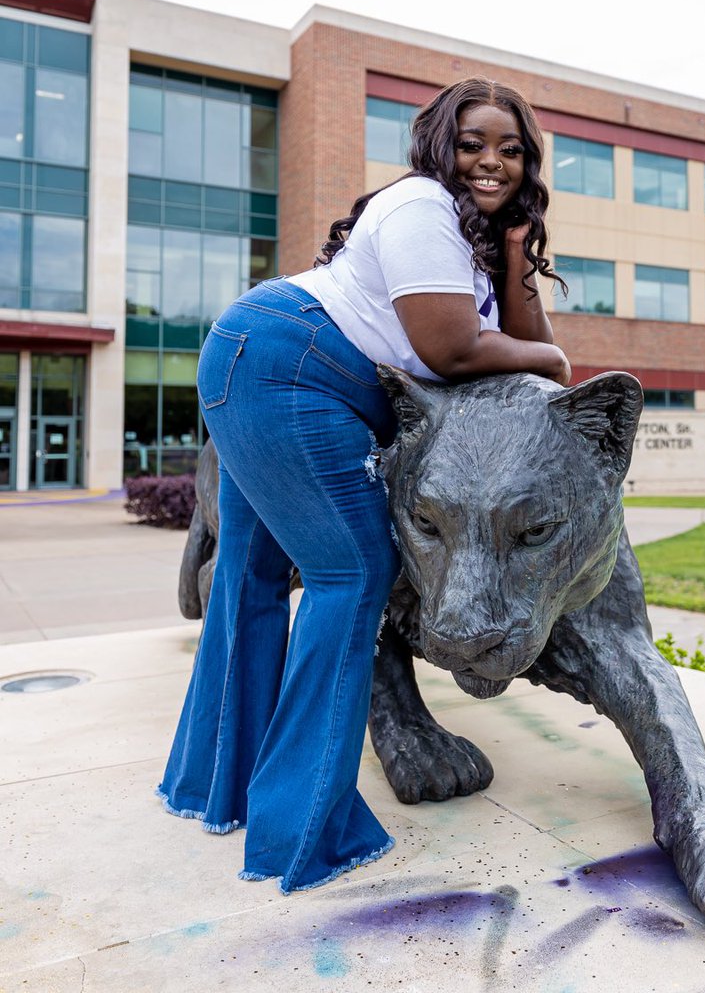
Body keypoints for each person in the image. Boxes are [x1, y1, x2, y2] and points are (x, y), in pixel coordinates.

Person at [156, 77, 570, 894]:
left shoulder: (474, 240)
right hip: (291, 367)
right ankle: (304, 829)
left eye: (512, 149)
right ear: (436, 145)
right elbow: (454, 351)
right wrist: (554, 364)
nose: (493, 161)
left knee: (254, 577)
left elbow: (520, 336)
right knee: (353, 576)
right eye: (473, 142)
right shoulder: (419, 205)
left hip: (263, 360)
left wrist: (520, 248)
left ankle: (216, 792)